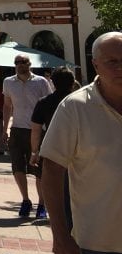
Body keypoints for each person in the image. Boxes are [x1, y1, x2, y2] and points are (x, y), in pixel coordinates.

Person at [40, 32, 122, 254]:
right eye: (112, 62)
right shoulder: (74, 108)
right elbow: (51, 171)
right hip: (102, 246)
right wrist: (60, 236)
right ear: (95, 64)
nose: (120, 68)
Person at [3, 54, 53, 218]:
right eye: (17, 62)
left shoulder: (41, 82)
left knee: (39, 170)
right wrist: (4, 129)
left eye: (23, 62)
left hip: (37, 130)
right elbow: (7, 106)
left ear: (29, 64)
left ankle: (42, 205)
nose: (20, 65)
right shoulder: (8, 82)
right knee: (17, 167)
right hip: (17, 129)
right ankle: (25, 200)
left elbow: (49, 104)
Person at [28, 67, 77, 215]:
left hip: (52, 147)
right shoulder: (80, 102)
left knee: (52, 183)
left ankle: (51, 211)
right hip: (78, 147)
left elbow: (35, 130)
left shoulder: (44, 102)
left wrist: (34, 151)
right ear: (73, 83)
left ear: (53, 83)